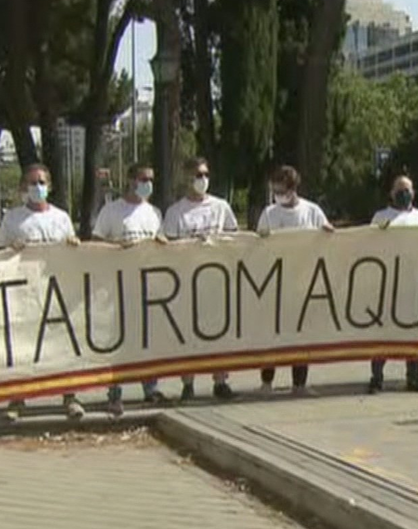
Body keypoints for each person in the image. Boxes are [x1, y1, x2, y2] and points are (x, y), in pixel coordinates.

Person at [0, 164, 86, 420]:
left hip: (56, 291)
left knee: (63, 345)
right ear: (24, 188)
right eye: (33, 183)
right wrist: (10, 249)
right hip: (24, 293)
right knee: (23, 346)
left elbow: (74, 252)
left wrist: (74, 245)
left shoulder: (61, 218)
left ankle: (70, 396)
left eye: (42, 182)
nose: (38, 187)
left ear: (50, 185)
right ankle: (17, 399)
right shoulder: (13, 218)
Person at [163, 157, 239, 401]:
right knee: (188, 335)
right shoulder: (176, 212)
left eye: (205, 174)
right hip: (186, 282)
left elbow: (233, 238)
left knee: (218, 332)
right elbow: (168, 247)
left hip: (216, 281)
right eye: (197, 175)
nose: (202, 180)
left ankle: (220, 380)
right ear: (186, 178)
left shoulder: (221, 206)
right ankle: (188, 383)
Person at [93, 165, 168, 411]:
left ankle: (151, 388)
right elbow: (97, 243)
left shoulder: (154, 213)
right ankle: (115, 391)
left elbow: (163, 247)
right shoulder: (111, 211)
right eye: (143, 179)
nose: (148, 183)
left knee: (148, 340)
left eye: (151, 179)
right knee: (118, 342)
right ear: (130, 180)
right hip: (117, 288)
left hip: (147, 287)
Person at [256, 165, 334, 396]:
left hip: (304, 284)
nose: (278, 195)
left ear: (293, 189)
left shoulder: (312, 211)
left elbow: (327, 237)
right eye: (275, 190)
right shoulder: (269, 214)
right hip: (275, 285)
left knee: (301, 334)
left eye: (281, 190)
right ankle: (266, 382)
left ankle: (299, 384)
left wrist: (328, 234)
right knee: (272, 335)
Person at [368, 175, 418, 395]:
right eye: (400, 189)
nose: (404, 193)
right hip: (388, 282)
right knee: (384, 331)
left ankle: (414, 376)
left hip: (413, 280)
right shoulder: (381, 217)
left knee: (413, 331)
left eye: (407, 189)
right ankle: (376, 378)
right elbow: (368, 245)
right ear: (391, 193)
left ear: (414, 193)